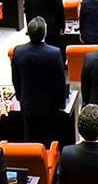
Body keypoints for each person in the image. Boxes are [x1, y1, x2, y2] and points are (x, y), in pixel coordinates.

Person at [11, 17, 68, 145]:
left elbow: (15, 78)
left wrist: (20, 97)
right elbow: (60, 81)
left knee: (29, 138)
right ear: (45, 33)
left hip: (27, 103)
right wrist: (62, 102)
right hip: (49, 105)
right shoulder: (54, 53)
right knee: (49, 138)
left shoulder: (18, 51)